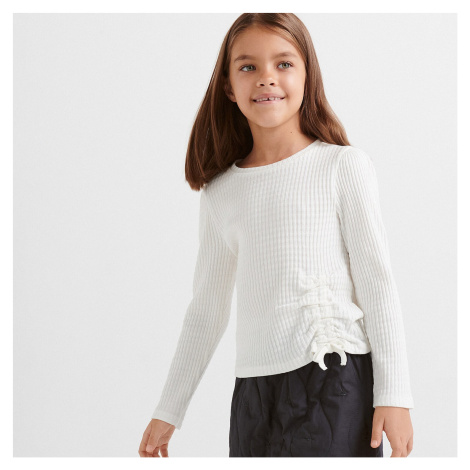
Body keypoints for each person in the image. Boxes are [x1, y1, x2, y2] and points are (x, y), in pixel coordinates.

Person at [138, 13, 414, 458]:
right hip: (254, 392)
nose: (266, 77)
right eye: (248, 66)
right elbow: (206, 310)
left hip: (334, 379)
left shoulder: (342, 166)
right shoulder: (220, 191)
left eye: (284, 63)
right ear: (229, 87)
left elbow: (377, 283)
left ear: (307, 76)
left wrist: (394, 394)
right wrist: (169, 409)